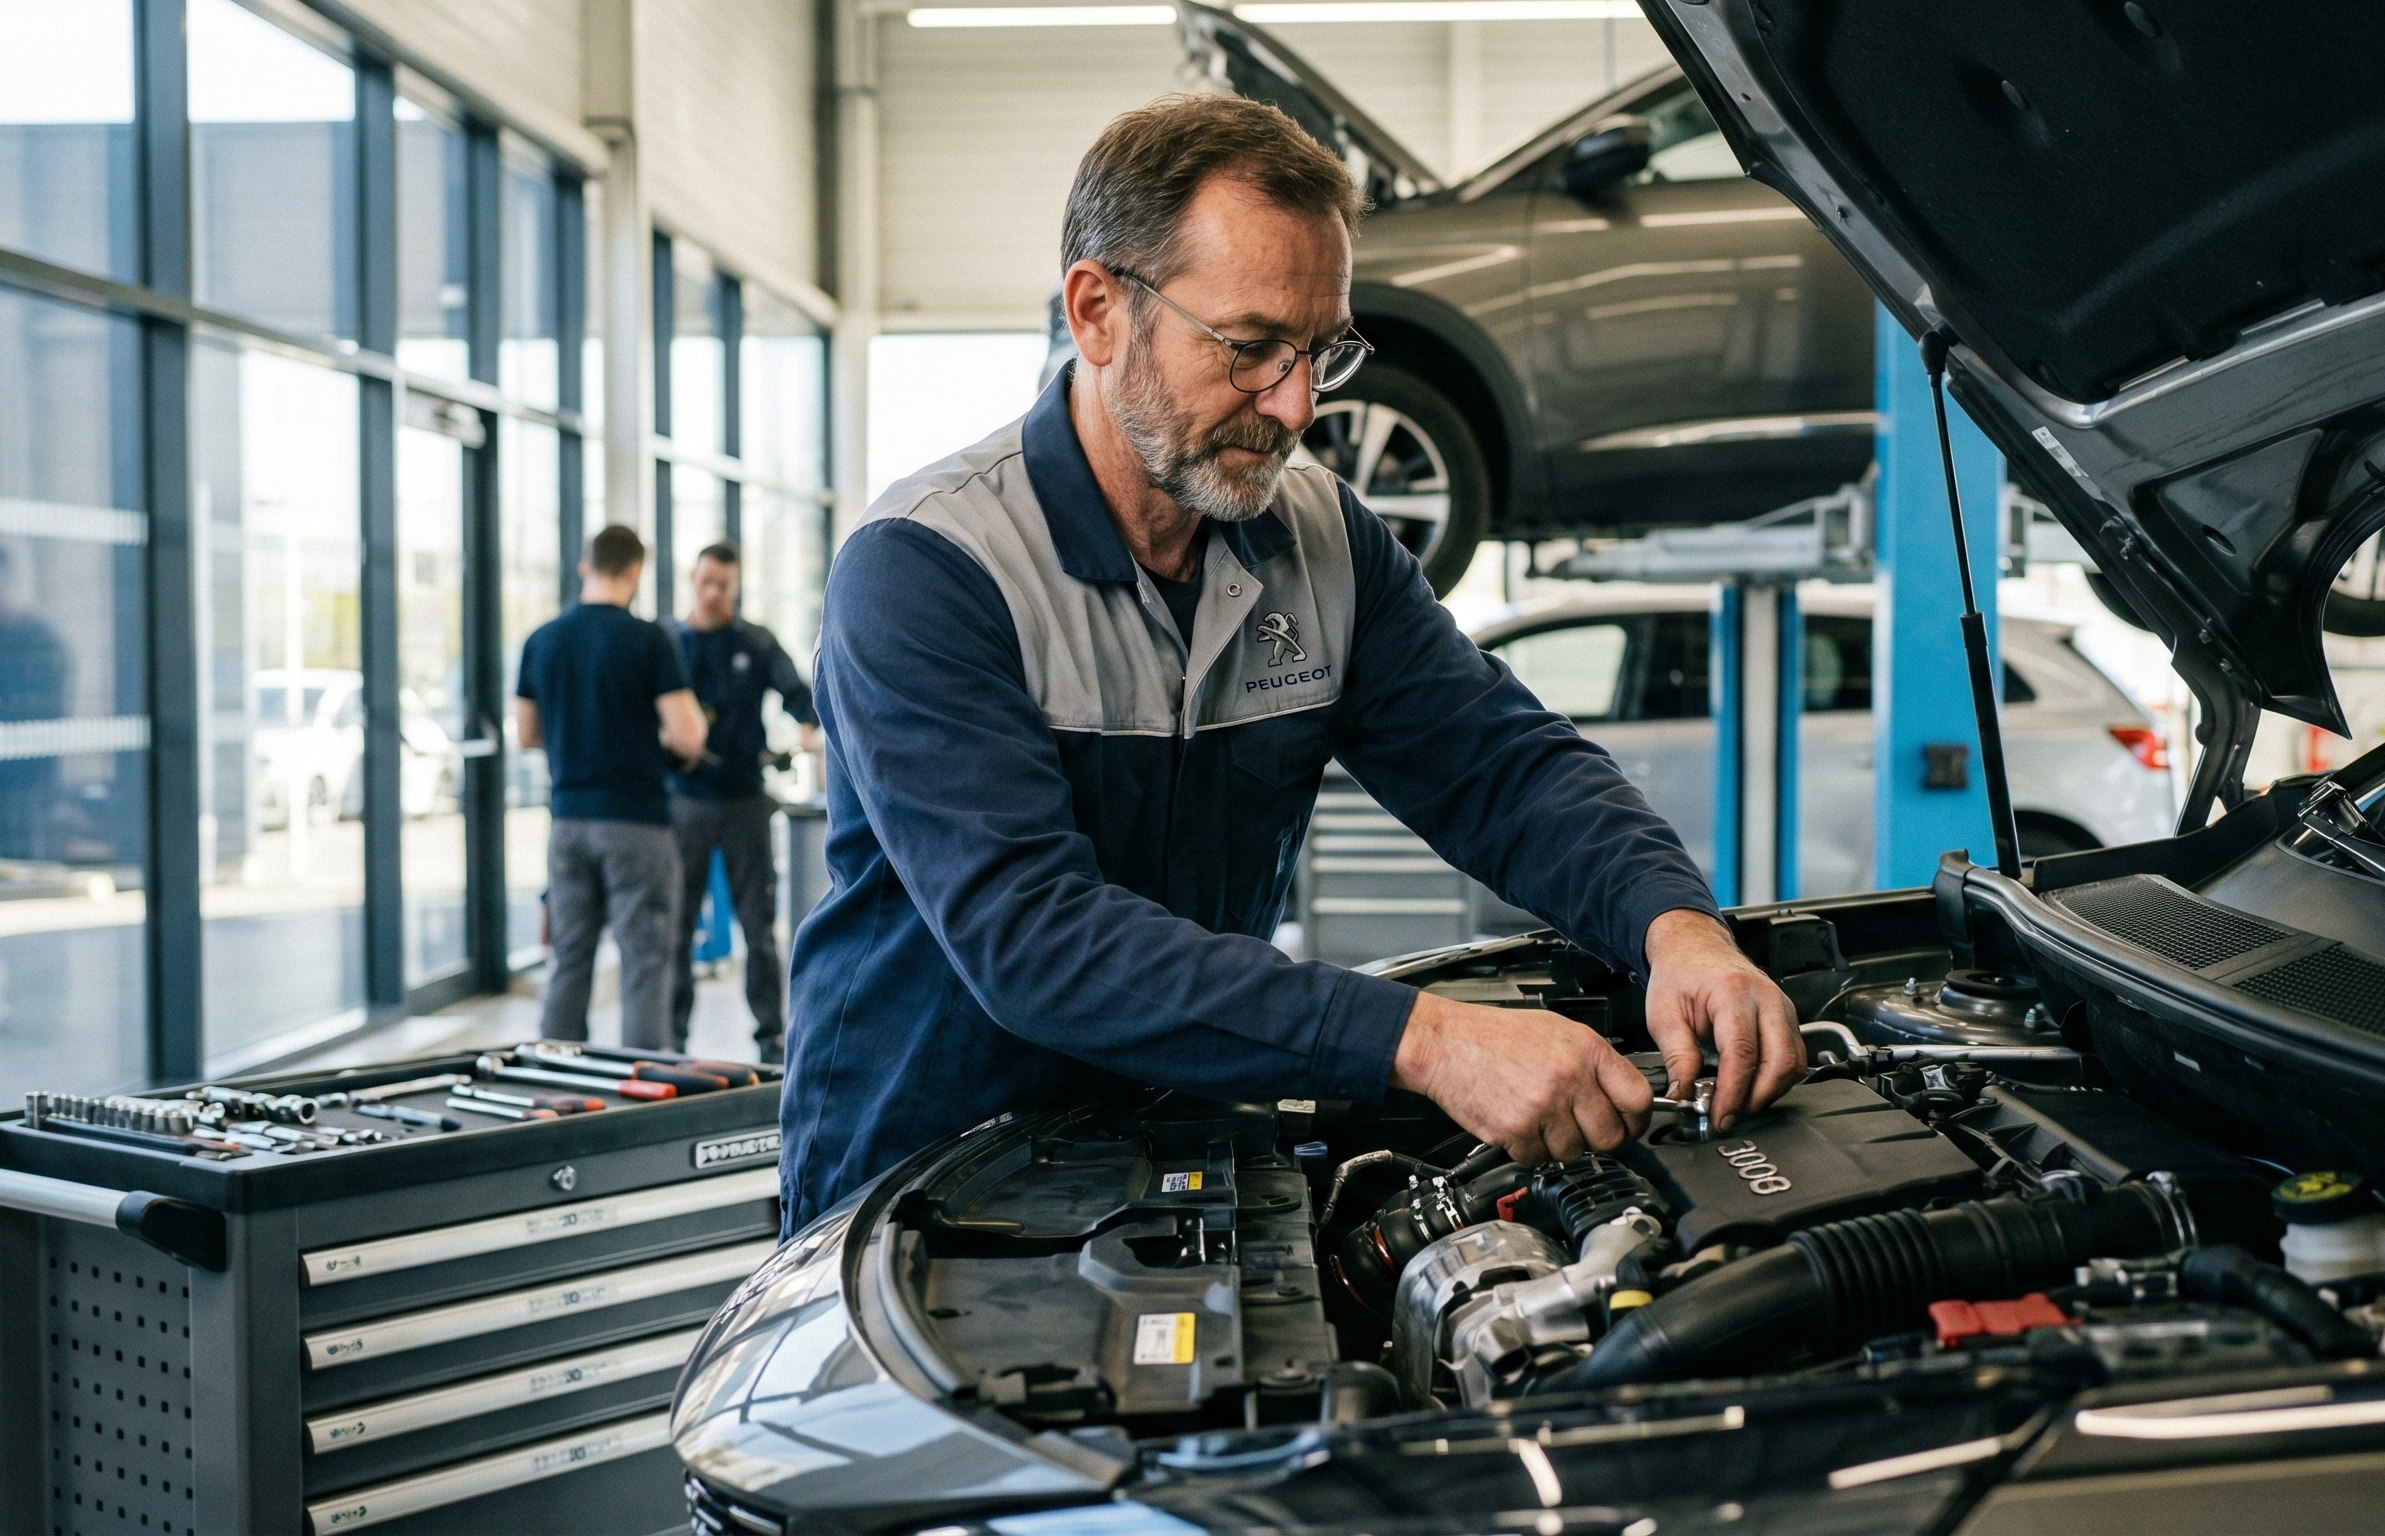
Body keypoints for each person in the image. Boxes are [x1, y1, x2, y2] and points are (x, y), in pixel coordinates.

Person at [778, 95, 1804, 1232]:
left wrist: (1676, 927)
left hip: (1186, 1159)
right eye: (1253, 347)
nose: (1298, 404)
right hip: (921, 1196)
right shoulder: (929, 570)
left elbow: (1499, 767)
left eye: (1323, 351)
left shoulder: (1327, 542)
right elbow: (1033, 939)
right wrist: (1423, 1040)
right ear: (1098, 311)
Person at [514, 524, 708, 1047]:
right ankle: (640, 1099)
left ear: (586, 567)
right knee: (644, 964)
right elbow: (688, 736)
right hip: (636, 823)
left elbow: (527, 733)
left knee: (569, 959)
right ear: (635, 572)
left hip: (568, 822)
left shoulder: (542, 640)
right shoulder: (648, 639)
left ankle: (555, 1079)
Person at [663, 540, 820, 1062]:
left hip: (744, 802)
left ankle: (771, 1036)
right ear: (693, 578)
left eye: (723, 585)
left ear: (735, 586)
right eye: (705, 582)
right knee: (677, 926)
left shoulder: (755, 643)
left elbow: (800, 697)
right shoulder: (670, 642)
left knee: (759, 927)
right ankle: (673, 1035)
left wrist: (810, 728)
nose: (712, 594)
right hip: (684, 803)